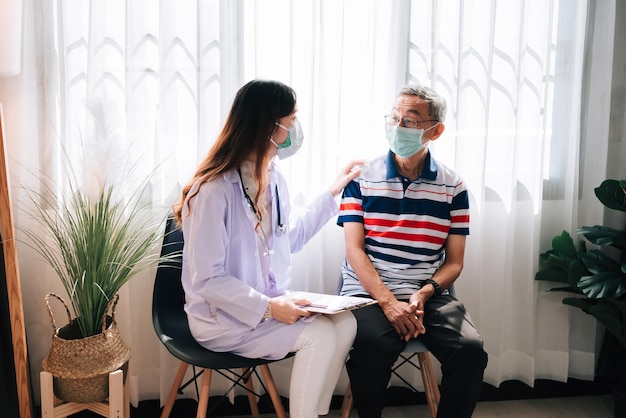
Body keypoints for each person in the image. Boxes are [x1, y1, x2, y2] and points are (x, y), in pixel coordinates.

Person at [173, 79, 362, 418]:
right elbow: (207, 280)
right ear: (269, 126)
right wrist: (269, 308)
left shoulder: (272, 176)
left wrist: (332, 193)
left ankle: (313, 414)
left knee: (345, 323)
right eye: (291, 120)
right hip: (222, 317)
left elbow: (286, 240)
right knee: (318, 336)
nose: (295, 129)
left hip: (268, 302)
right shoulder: (212, 191)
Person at [337, 84, 488, 418]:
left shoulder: (453, 185)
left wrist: (423, 294)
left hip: (428, 293)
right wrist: (389, 303)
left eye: (409, 120)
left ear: (435, 131)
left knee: (470, 351)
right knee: (372, 348)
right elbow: (354, 251)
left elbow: (455, 262)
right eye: (393, 118)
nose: (396, 127)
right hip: (368, 292)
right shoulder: (362, 178)